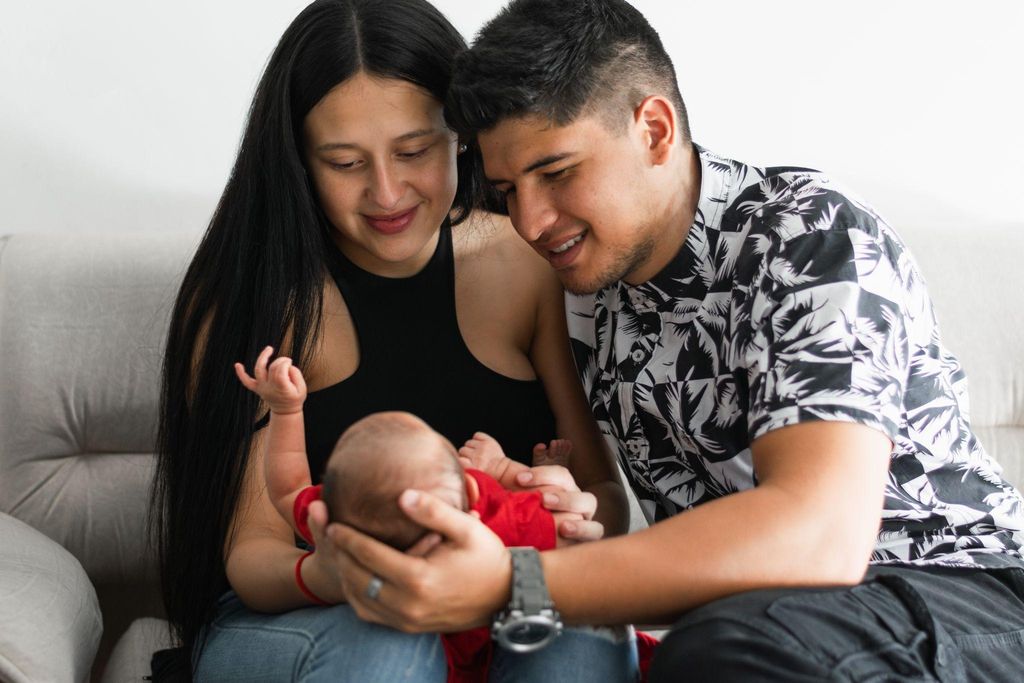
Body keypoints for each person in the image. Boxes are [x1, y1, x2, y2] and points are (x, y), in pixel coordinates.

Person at [325, 1, 1024, 681]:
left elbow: (821, 537)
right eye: (508, 188)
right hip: (766, 622)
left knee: (718, 651)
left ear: (654, 130)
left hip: (958, 591)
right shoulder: (584, 294)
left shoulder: (805, 235)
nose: (531, 221)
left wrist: (515, 582)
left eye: (558, 172)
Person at [150, 0, 635, 680]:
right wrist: (330, 570)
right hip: (298, 616)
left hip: (497, 595)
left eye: (414, 151)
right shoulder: (260, 293)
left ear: (461, 136)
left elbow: (604, 497)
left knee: (575, 631)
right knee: (393, 635)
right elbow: (252, 558)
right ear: (300, 161)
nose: (386, 192)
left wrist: (577, 515)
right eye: (345, 162)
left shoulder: (523, 266)